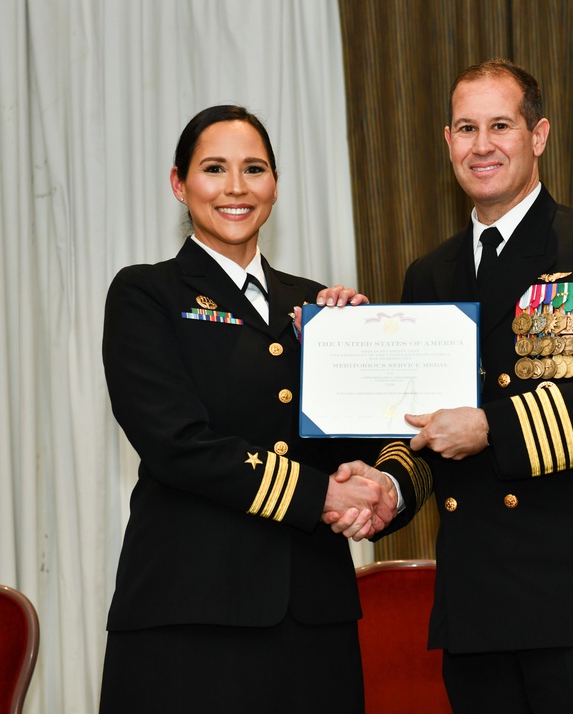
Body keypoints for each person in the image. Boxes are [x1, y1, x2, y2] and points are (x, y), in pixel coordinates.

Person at [329, 59, 573, 712]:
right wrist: (388, 487)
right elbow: (422, 428)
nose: (481, 145)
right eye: (466, 128)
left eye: (500, 125)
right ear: (447, 141)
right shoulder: (429, 275)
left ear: (537, 135)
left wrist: (494, 426)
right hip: (478, 612)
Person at [99, 104, 423, 713]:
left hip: (313, 616)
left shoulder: (321, 306)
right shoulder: (146, 294)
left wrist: (384, 486)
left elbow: (383, 437)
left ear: (274, 184)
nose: (236, 188)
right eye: (214, 168)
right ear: (179, 183)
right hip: (192, 616)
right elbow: (176, 443)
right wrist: (321, 496)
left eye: (254, 169)